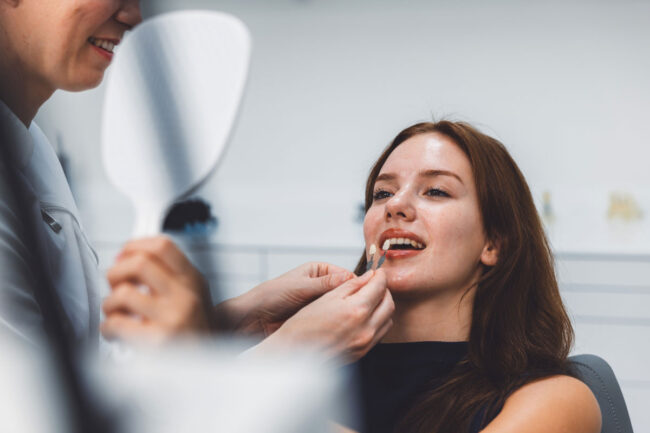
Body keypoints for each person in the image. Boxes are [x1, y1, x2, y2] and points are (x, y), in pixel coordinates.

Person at [109, 120, 603, 433]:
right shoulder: (305, 366)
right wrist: (243, 317)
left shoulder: (554, 400)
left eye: (435, 192)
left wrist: (277, 382)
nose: (397, 207)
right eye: (382, 194)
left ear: (494, 242)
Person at [0, 0, 393, 361]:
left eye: (437, 191)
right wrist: (293, 350)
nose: (132, 16)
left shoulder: (31, 147)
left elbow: (92, 365)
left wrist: (231, 320)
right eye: (384, 191)